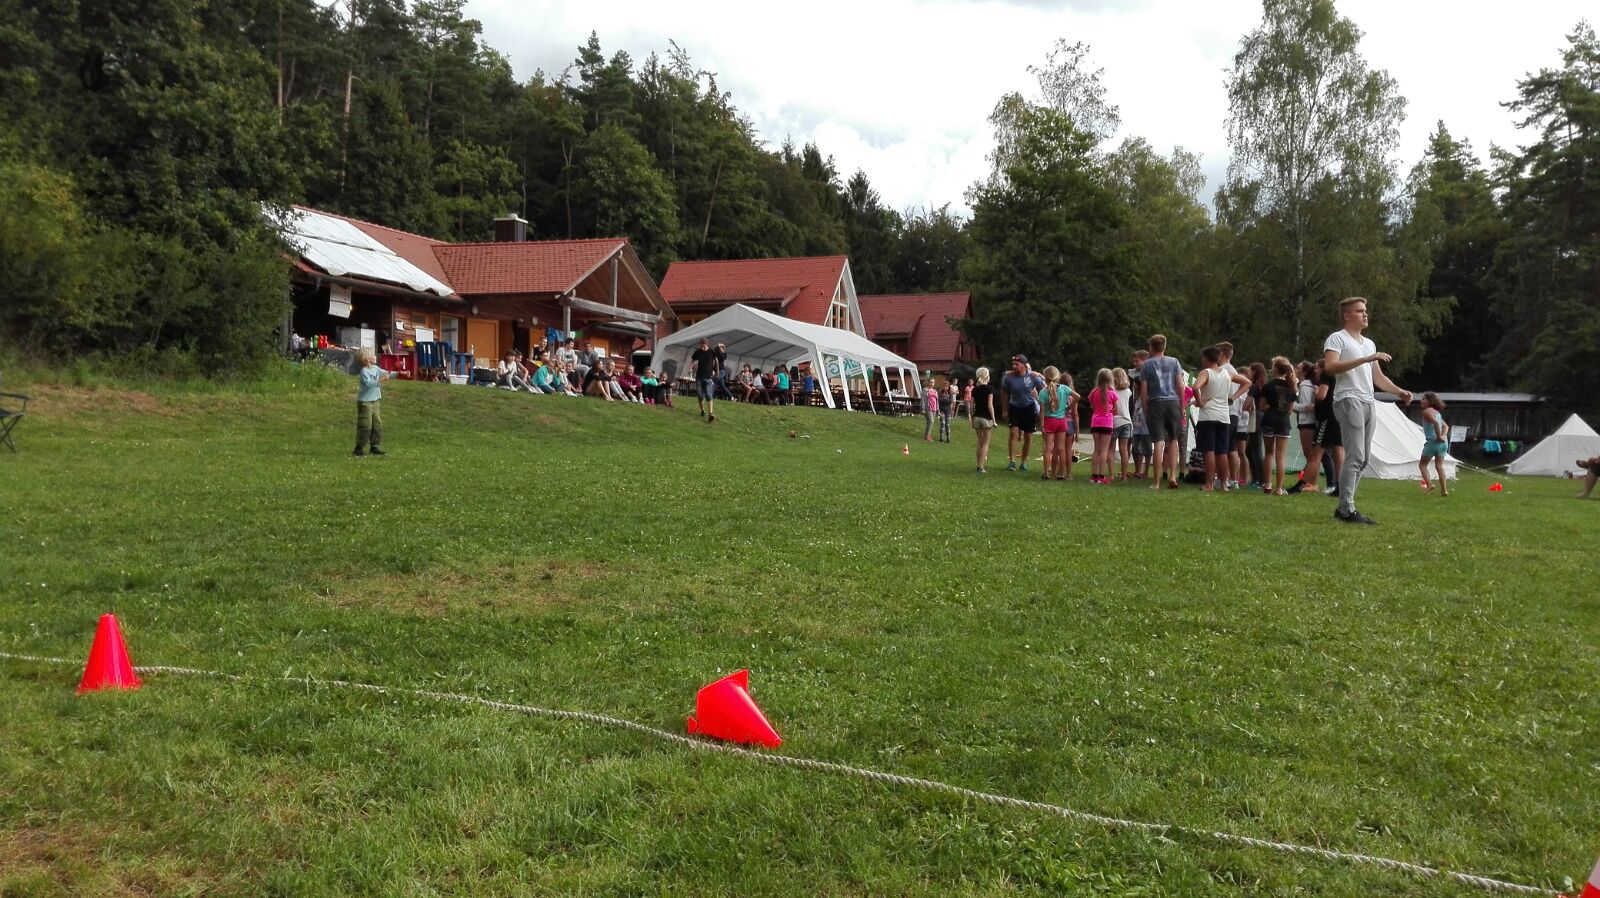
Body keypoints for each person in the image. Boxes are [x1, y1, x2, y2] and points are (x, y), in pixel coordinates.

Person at [1324, 296, 1412, 525]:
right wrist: (1365, 359)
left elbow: (1378, 377)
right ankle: (1347, 509)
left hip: (1368, 401)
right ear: (1347, 315)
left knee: (1363, 459)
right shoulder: (1337, 338)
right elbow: (1330, 367)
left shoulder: (1369, 343)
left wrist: (1399, 392)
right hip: (1348, 399)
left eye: (1365, 310)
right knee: (1355, 456)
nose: (1365, 314)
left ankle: (1345, 506)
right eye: (1359, 311)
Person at [1192, 347, 1250, 491]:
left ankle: (1209, 484)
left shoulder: (1206, 372)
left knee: (1209, 451)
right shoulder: (1227, 373)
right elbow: (1247, 382)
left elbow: (1195, 387)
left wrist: (1200, 402)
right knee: (1222, 452)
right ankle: (1224, 484)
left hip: (1208, 416)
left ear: (1206, 358)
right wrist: (1233, 397)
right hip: (1224, 417)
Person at [1138, 335, 1185, 490]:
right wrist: (1182, 406)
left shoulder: (1146, 365)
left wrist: (1145, 408)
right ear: (1164, 347)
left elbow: (1144, 390)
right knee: (1173, 440)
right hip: (1173, 403)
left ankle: (1156, 481)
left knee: (1158, 442)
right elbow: (1181, 386)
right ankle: (1172, 476)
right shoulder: (1174, 362)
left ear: (1151, 347)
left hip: (1156, 403)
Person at [1260, 357, 1298, 495]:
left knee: (1269, 453)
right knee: (1281, 456)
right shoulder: (1291, 387)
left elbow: (1262, 406)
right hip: (1283, 422)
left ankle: (1267, 484)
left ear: (1275, 369)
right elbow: (1290, 410)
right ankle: (1280, 488)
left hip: (1269, 420)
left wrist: (1269, 406)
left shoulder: (1268, 386)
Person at [1002, 355, 1045, 472]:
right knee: (1013, 433)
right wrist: (1005, 410)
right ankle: (1012, 462)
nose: (1014, 366)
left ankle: (1024, 463)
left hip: (1029, 407)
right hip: (1014, 407)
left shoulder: (1033, 377)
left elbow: (1044, 389)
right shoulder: (1009, 378)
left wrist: (1041, 402)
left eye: (1017, 364)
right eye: (1013, 364)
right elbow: (1004, 392)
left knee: (1028, 436)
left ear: (1024, 365)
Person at [352, 347, 397, 457]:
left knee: (377, 425)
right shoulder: (364, 372)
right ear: (367, 359)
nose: (375, 356)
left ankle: (374, 447)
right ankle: (359, 448)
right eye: (373, 355)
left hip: (375, 401)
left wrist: (400, 373)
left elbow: (386, 373)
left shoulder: (375, 368)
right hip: (365, 402)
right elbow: (369, 384)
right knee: (366, 425)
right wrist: (382, 379)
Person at [1037, 366, 1071, 480]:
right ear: (1058, 376)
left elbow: (1042, 411)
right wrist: (1068, 407)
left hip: (1049, 421)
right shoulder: (1064, 389)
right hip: (1062, 421)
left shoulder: (1043, 392)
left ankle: (1046, 472)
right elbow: (1077, 396)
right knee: (1061, 449)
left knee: (1048, 449)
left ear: (1045, 378)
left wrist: (1042, 426)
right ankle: (1061, 473)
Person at [1088, 368, 1119, 484]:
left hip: (1095, 421)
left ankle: (1094, 476)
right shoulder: (1112, 393)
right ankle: (1101, 476)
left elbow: (1092, 404)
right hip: (1106, 423)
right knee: (1104, 449)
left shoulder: (1094, 392)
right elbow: (1116, 410)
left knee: (1096, 449)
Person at [1418, 393, 1450, 495]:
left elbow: (1435, 423)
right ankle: (1444, 490)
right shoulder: (1437, 413)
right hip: (1443, 443)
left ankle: (1429, 484)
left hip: (1433, 442)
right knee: (1439, 466)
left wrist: (1439, 437)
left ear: (1430, 401)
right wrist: (1443, 436)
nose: (1421, 401)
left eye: (1424, 399)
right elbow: (1446, 427)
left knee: (1422, 465)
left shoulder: (1426, 411)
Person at [968, 367, 997, 473]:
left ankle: (979, 464)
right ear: (987, 376)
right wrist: (994, 420)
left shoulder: (974, 389)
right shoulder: (990, 389)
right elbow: (990, 405)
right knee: (985, 443)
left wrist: (971, 418)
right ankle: (980, 467)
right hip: (986, 418)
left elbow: (971, 406)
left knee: (980, 442)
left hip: (977, 417)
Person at [1111, 367, 1133, 480]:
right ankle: (1124, 475)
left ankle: (1111, 474)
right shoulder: (1128, 391)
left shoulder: (1111, 391)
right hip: (1127, 421)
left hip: (1115, 421)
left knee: (1111, 449)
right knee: (1124, 449)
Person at [690, 338, 718, 422]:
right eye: (701, 345)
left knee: (709, 395)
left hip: (708, 377)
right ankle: (702, 410)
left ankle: (711, 414)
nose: (702, 347)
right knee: (700, 395)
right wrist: (690, 368)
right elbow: (692, 361)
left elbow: (716, 361)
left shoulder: (711, 351)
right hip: (699, 377)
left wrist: (717, 371)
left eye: (703, 345)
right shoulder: (698, 352)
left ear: (707, 344)